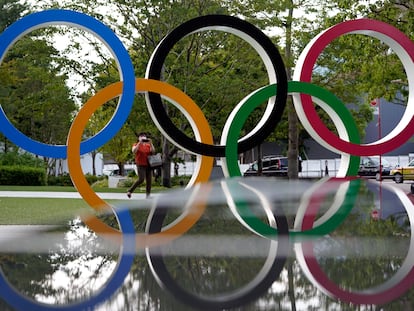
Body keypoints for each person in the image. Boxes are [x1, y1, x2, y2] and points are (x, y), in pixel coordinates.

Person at [127, 132, 155, 198]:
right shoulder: (136, 144)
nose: (143, 137)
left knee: (149, 181)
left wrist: (151, 143)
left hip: (149, 165)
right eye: (141, 136)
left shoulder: (148, 145)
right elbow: (134, 151)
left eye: (144, 136)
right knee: (141, 179)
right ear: (139, 138)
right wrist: (139, 143)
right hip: (140, 164)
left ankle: (148, 196)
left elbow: (153, 151)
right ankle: (130, 191)